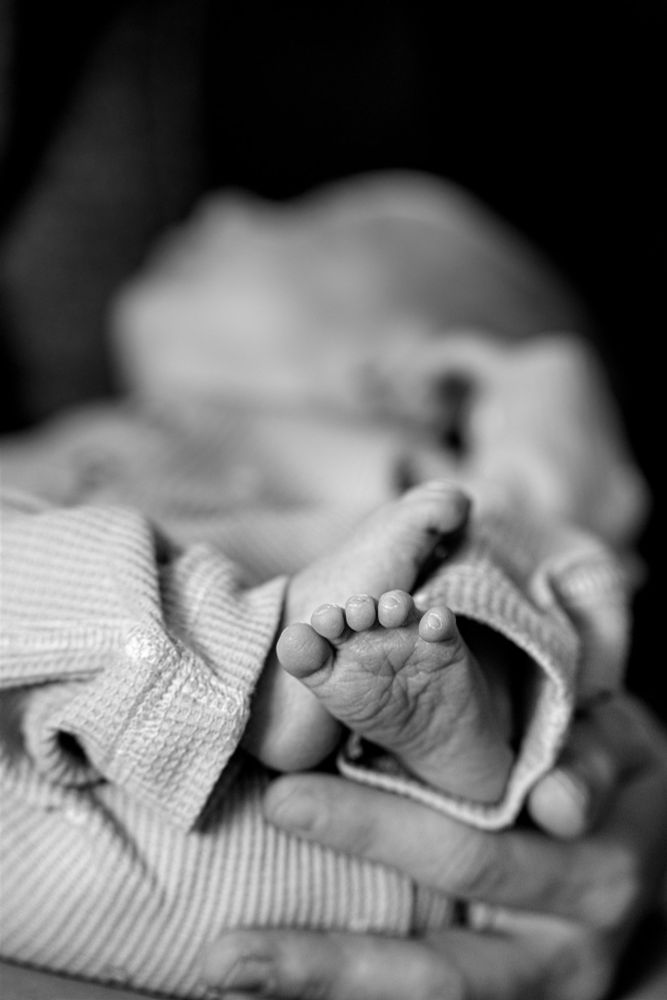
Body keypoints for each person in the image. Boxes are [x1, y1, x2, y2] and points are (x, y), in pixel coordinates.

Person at [0, 172, 661, 999]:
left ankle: (413, 713)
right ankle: (468, 734)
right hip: (281, 885)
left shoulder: (322, 460)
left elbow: (538, 541)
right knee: (463, 577)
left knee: (464, 561)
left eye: (291, 220)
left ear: (397, 371)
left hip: (250, 847)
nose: (224, 208)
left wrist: (540, 420)